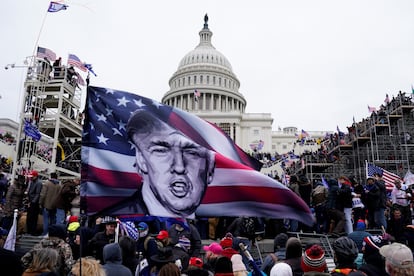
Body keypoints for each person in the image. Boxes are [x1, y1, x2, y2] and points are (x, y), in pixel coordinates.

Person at [104, 109, 215, 218]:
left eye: (192, 152)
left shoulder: (211, 222)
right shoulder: (119, 217)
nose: (179, 167)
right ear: (141, 159)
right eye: (161, 151)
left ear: (210, 167)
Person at [26, 170, 42, 235]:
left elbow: (37, 194)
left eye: (32, 176)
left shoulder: (39, 183)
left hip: (34, 203)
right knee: (29, 217)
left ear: (35, 176)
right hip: (31, 201)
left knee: (33, 217)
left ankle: (32, 231)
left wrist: (32, 202)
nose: (30, 178)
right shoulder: (32, 182)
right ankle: (29, 230)